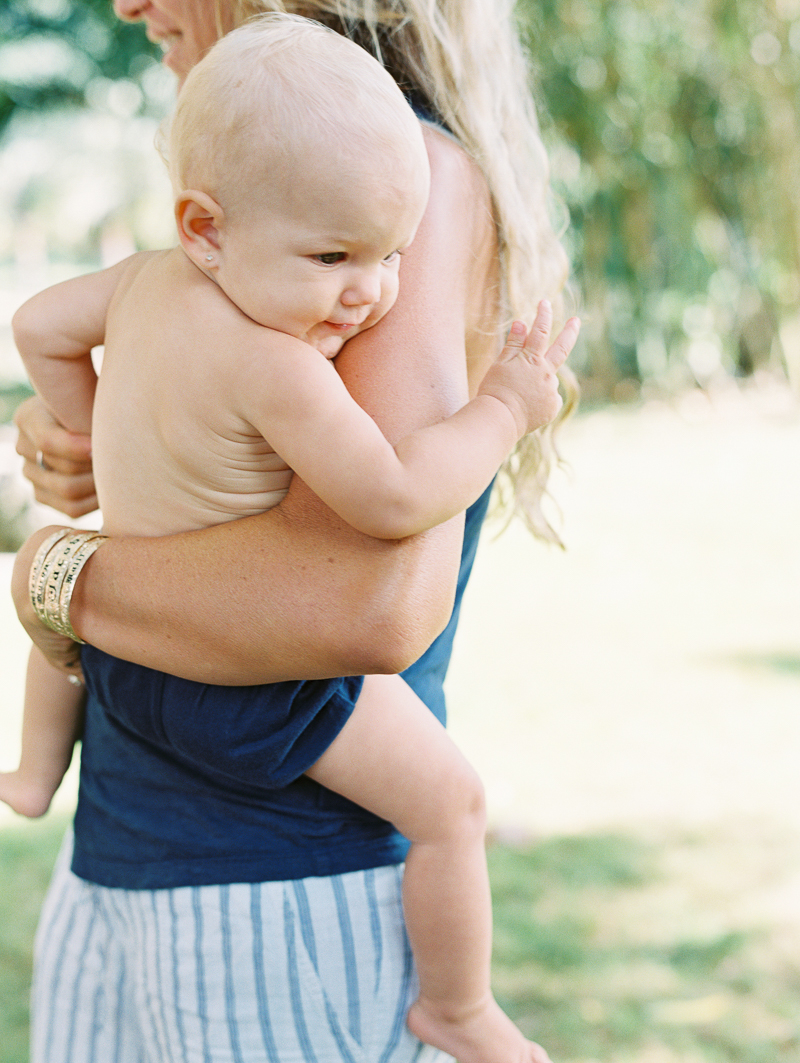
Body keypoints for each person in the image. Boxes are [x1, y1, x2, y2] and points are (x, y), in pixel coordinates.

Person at [4, 16, 578, 1063]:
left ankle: (28, 768)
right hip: (194, 805)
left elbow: (369, 601)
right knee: (452, 799)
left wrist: (63, 546)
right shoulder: (284, 324)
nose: (373, 292)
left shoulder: (342, 187)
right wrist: (505, 406)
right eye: (340, 259)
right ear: (206, 224)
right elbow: (397, 495)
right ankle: (457, 1006)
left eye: (387, 257)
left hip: (255, 866)